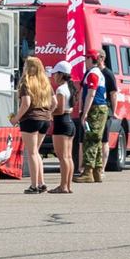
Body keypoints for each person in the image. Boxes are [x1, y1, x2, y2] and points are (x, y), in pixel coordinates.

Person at [11, 57, 53, 194]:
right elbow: (55, 103)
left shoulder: (26, 82)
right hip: (45, 119)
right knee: (37, 152)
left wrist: (16, 118)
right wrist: (47, 113)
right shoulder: (45, 82)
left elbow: (26, 103)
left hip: (30, 119)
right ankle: (42, 183)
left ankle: (34, 185)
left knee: (32, 152)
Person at [79, 49, 112, 184]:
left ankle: (88, 172)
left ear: (91, 59)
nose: (85, 61)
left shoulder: (93, 73)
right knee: (97, 141)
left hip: (96, 108)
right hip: (101, 108)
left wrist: (85, 112)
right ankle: (97, 171)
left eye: (86, 58)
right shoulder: (97, 72)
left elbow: (91, 94)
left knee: (91, 139)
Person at [46, 61, 78, 193]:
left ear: (60, 74)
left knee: (63, 157)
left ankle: (63, 185)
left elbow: (59, 110)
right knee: (68, 157)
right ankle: (68, 185)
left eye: (55, 74)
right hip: (69, 122)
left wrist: (47, 112)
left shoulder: (61, 89)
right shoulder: (69, 87)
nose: (53, 76)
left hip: (61, 123)